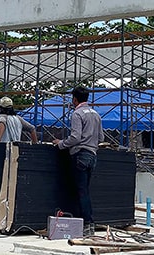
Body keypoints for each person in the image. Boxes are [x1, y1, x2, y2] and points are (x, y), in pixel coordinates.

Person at [53, 86, 104, 234]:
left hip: (80, 154)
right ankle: (85, 223)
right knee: (84, 191)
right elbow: (101, 138)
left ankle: (87, 224)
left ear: (75, 99)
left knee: (81, 192)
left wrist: (61, 144)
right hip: (92, 156)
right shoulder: (96, 114)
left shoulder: (77, 114)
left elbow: (75, 137)